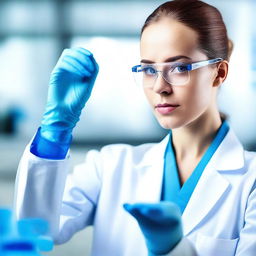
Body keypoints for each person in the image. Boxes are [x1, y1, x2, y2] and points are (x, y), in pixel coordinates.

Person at [14, 0, 256, 255]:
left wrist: (173, 248)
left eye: (180, 68)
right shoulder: (110, 166)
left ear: (219, 72)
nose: (159, 87)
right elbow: (33, 231)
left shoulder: (251, 182)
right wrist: (55, 130)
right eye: (149, 69)